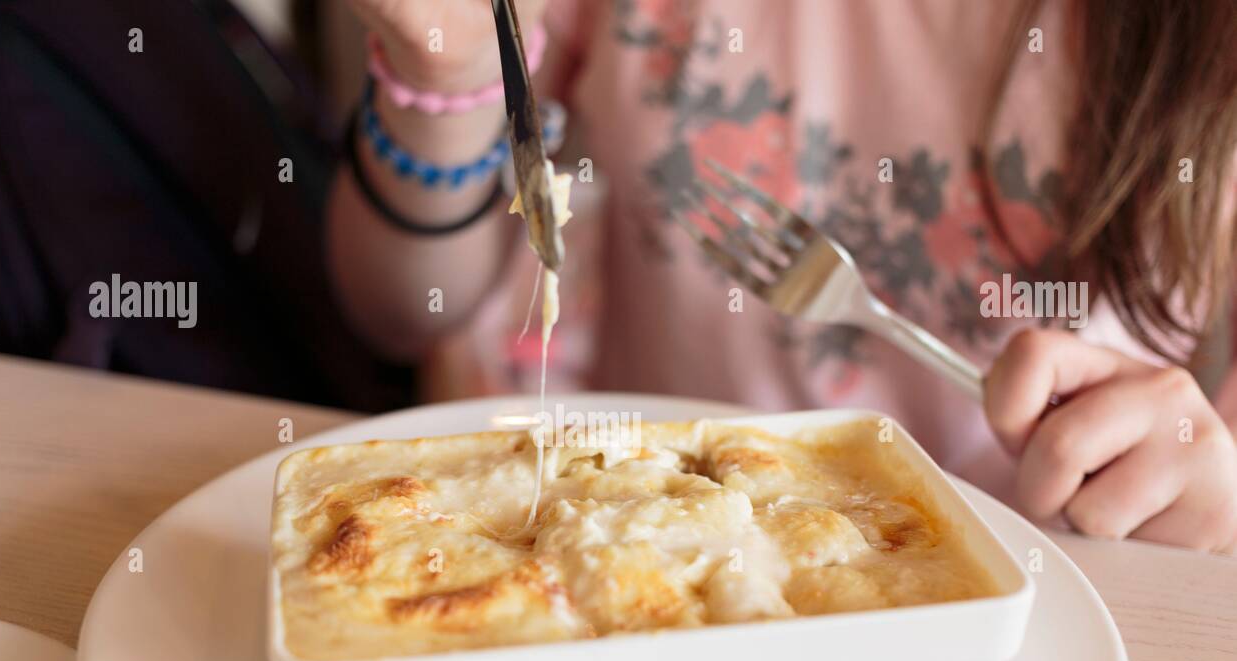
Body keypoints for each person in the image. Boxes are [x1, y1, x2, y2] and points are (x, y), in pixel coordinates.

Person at [328, 0, 1237, 553]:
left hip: (1051, 628)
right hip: (644, 566)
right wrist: (447, 77)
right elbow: (403, 313)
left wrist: (1211, 503)